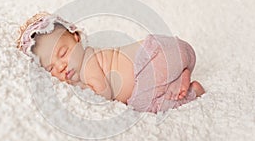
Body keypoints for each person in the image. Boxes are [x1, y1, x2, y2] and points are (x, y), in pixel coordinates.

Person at [16, 12, 205, 113]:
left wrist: (81, 88)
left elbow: (102, 93)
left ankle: (191, 90)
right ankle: (180, 75)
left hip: (149, 59)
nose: (60, 66)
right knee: (145, 100)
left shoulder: (89, 60)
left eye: (63, 53)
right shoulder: (83, 64)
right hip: (169, 50)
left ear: (76, 37)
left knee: (142, 105)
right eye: (51, 68)